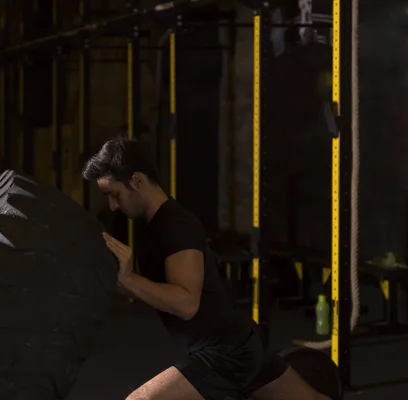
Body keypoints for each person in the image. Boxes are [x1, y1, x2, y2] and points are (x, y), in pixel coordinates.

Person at [82, 137, 331, 400]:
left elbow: (187, 302)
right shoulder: (150, 226)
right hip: (236, 344)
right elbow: (153, 291)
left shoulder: (175, 224)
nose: (112, 206)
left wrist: (130, 278)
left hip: (223, 353)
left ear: (138, 181)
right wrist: (112, 278)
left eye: (114, 194)